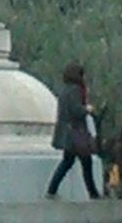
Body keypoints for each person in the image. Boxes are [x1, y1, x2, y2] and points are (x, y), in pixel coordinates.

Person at [46, 60, 100, 199]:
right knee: (85, 163)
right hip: (77, 134)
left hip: (68, 134)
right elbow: (76, 110)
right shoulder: (76, 90)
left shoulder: (64, 91)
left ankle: (52, 190)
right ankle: (93, 193)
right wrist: (87, 109)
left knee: (68, 162)